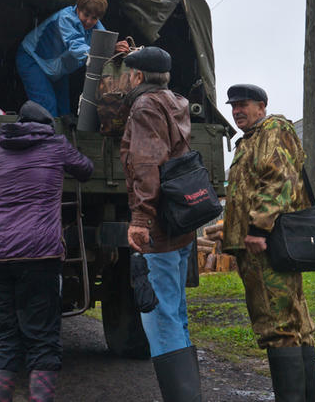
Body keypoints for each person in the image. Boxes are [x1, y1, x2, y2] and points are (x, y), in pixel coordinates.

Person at [0, 100, 94, 402]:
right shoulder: (55, 145)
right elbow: (86, 170)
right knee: (42, 338)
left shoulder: (0, 147)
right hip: (38, 253)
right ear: (46, 125)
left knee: (7, 333)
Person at [217, 83, 315, 402]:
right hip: (262, 243)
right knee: (294, 323)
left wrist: (258, 229)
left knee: (277, 323)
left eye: (243, 104)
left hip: (267, 243)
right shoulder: (249, 140)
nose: (237, 111)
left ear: (261, 106)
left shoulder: (273, 129)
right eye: (233, 106)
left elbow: (279, 179)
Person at [121, 46, 201, 402]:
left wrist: (140, 218)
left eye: (128, 74)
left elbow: (147, 164)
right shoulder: (176, 102)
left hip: (158, 229)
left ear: (137, 76)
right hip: (179, 220)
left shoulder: (145, 106)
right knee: (176, 311)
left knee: (160, 315)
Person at [16, 0, 129, 116]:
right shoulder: (66, 18)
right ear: (78, 9)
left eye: (94, 18)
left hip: (57, 70)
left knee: (64, 111)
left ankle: (61, 136)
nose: (89, 21)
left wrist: (118, 49)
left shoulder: (96, 27)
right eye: (86, 15)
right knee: (46, 106)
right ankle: (46, 135)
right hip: (33, 59)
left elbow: (104, 46)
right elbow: (77, 48)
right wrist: (109, 50)